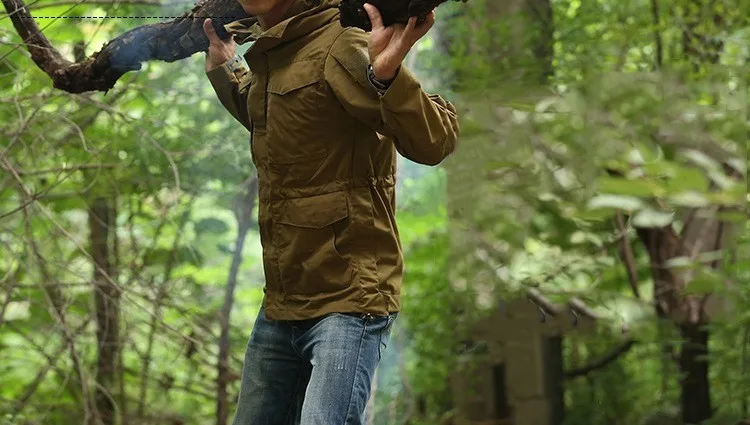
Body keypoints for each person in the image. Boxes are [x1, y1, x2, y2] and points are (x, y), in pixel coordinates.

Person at [202, 0, 459, 422]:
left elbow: (435, 140)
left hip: (348, 299)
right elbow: (282, 124)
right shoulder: (275, 47)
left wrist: (388, 77)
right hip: (284, 300)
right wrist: (229, 68)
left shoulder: (341, 42)